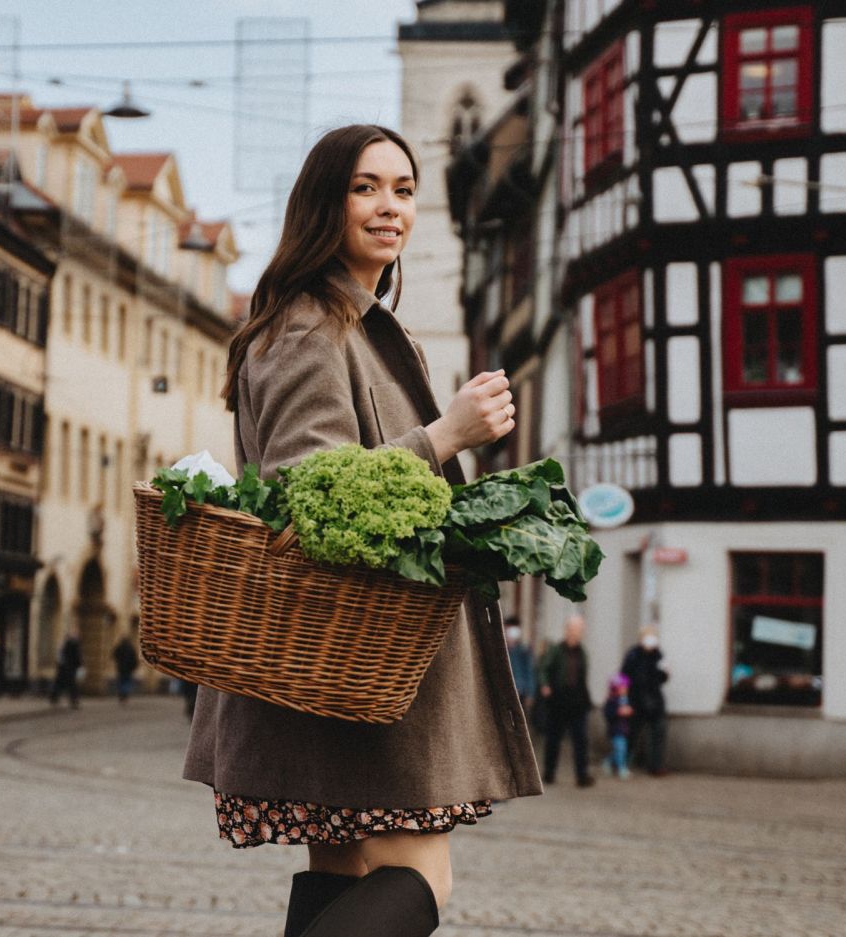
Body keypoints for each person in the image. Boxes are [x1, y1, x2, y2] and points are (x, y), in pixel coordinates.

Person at [183, 124, 541, 937]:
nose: (391, 207)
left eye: (405, 190)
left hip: (349, 665)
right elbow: (312, 493)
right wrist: (447, 435)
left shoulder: (354, 323)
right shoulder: (313, 329)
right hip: (356, 666)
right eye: (367, 187)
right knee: (420, 873)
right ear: (325, 203)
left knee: (339, 869)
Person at [537, 615, 595, 788]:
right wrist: (545, 685)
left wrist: (586, 699)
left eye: (580, 631)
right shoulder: (556, 650)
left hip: (577, 700)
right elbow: (544, 669)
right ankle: (549, 772)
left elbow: (583, 677)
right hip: (559, 699)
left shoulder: (582, 652)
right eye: (574, 630)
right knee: (553, 738)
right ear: (567, 630)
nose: (577, 634)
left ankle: (582, 775)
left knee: (581, 739)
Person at [621, 624, 670, 776]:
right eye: (648, 637)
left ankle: (656, 766)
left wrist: (665, 673)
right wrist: (624, 700)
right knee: (632, 733)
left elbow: (662, 678)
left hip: (655, 700)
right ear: (641, 639)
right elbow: (624, 676)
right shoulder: (633, 655)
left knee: (658, 732)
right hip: (636, 700)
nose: (651, 640)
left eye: (653, 637)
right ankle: (622, 762)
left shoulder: (658, 655)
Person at [602, 673, 633, 780]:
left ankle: (608, 761)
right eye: (623, 688)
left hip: (624, 729)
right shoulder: (611, 700)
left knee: (621, 750)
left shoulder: (624, 700)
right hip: (615, 730)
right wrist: (618, 712)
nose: (625, 690)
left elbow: (628, 711)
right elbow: (608, 713)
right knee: (620, 749)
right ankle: (621, 769)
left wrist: (628, 711)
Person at [504, 615, 536, 709]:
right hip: (505, 691)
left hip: (520, 691)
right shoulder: (502, 650)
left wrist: (530, 693)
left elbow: (529, 671)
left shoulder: (523, 650)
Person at [50, 628, 82, 709]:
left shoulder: (65, 644)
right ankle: (73, 701)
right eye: (76, 635)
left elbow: (60, 656)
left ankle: (54, 698)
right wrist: (79, 665)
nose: (77, 636)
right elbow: (76, 657)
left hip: (64, 667)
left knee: (60, 683)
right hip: (69, 667)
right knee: (71, 685)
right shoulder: (73, 644)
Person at [112, 636, 138, 702]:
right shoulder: (131, 648)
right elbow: (134, 659)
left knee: (121, 681)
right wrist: (133, 667)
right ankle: (125, 694)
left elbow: (114, 655)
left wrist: (118, 662)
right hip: (128, 669)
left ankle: (121, 694)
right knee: (127, 681)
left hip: (120, 668)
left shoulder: (119, 647)